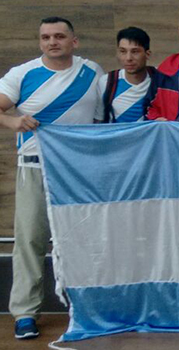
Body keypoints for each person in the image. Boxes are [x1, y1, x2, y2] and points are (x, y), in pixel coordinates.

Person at [0, 17, 104, 340]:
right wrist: (11, 122)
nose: (52, 42)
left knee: (81, 241)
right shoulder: (22, 74)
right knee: (30, 239)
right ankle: (25, 313)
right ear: (40, 41)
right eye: (46, 37)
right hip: (33, 167)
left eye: (59, 36)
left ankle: (84, 307)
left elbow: (101, 121)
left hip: (78, 172)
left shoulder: (92, 72)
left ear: (74, 41)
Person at [97, 27, 156, 123]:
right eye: (123, 51)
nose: (128, 58)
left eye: (135, 51)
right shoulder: (107, 82)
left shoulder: (160, 79)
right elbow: (98, 120)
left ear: (147, 54)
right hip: (118, 137)